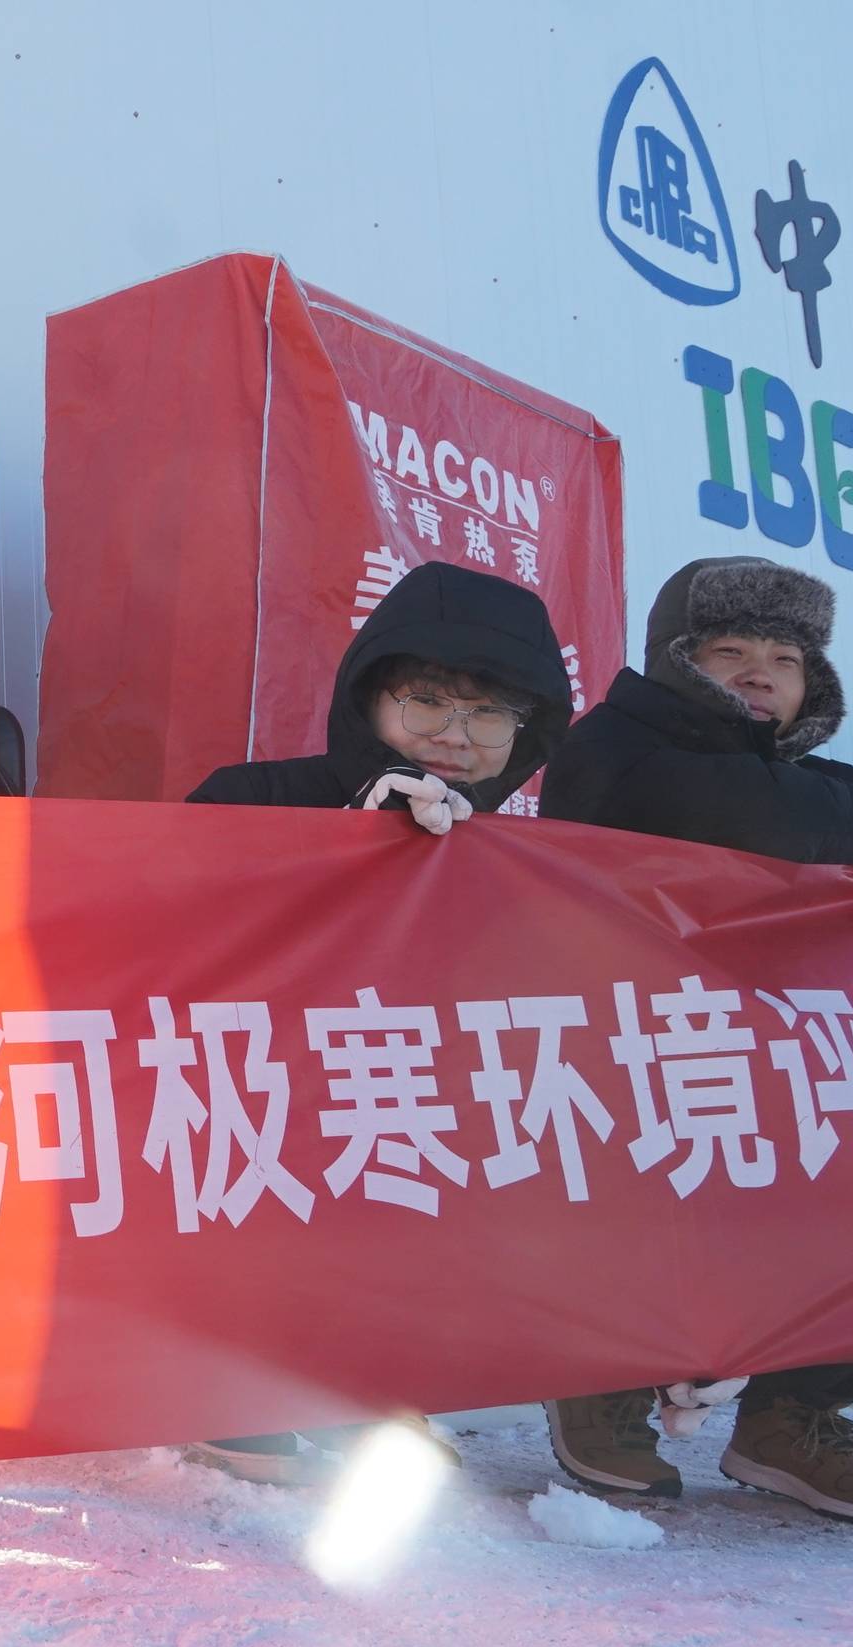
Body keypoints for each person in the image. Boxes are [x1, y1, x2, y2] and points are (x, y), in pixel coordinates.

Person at [538, 554, 853, 1529]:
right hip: (622, 1051)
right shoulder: (614, 742)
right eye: (731, 651)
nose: (761, 671)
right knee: (629, 1195)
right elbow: (735, 808)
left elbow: (843, 815)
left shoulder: (802, 782)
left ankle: (791, 1418)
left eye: (785, 657)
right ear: (678, 661)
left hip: (762, 1057)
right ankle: (597, 1383)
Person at [183, 559, 575, 1481]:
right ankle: (224, 1381)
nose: (456, 737)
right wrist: (347, 851)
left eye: (490, 715)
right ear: (369, 699)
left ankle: (359, 1385)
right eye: (426, 702)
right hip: (254, 1100)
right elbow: (164, 951)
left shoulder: (524, 863)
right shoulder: (251, 798)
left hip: (399, 1114)